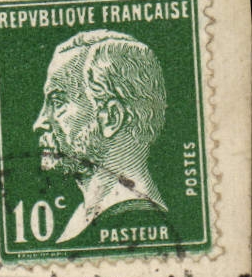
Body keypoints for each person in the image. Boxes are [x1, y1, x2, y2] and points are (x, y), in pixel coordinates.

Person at [32, 29, 172, 245]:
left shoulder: (134, 218)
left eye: (58, 103)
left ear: (111, 118)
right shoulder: (85, 217)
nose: (39, 123)